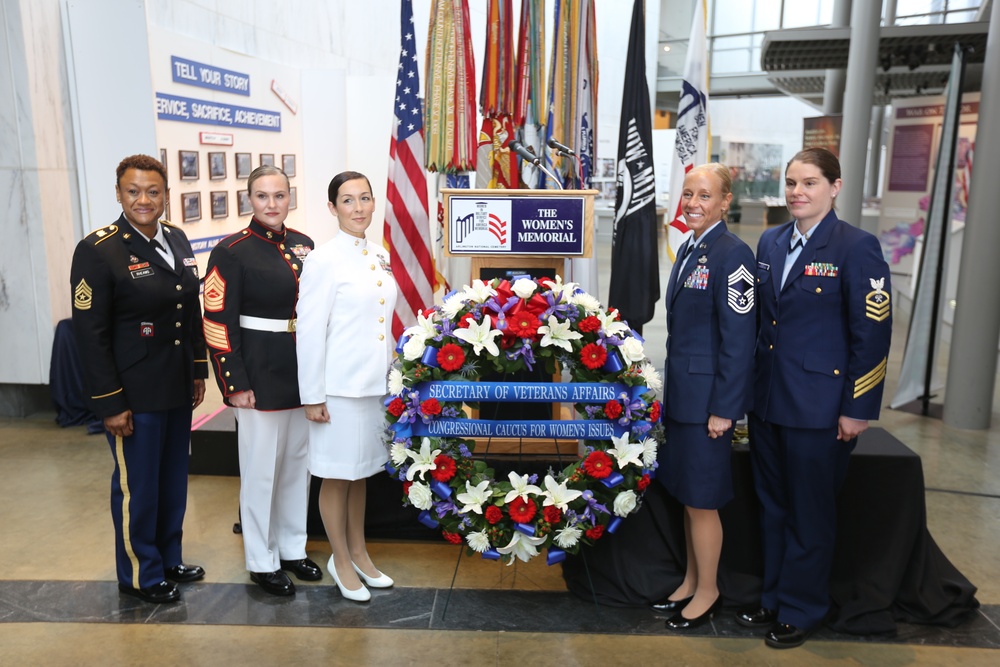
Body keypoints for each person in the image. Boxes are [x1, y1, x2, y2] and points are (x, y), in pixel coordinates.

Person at [741, 147, 892, 648]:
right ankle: (774, 597)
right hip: (768, 402)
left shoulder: (857, 247)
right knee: (773, 506)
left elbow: (872, 335)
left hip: (820, 407)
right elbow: (766, 322)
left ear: (835, 186)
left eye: (808, 183)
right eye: (790, 183)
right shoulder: (770, 241)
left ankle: (802, 609)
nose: (797, 193)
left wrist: (857, 407)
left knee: (809, 512)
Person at [70, 154, 208, 604]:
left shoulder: (178, 238)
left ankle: (169, 557)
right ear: (118, 193)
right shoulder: (99, 249)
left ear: (166, 194)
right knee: (139, 487)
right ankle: (140, 573)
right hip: (132, 393)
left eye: (153, 191)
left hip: (174, 385)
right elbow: (90, 336)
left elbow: (189, 312)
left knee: (172, 481)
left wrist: (197, 370)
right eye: (133, 191)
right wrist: (109, 403)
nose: (144, 200)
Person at [203, 165, 321, 596]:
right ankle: (261, 559)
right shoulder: (231, 250)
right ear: (249, 200)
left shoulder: (305, 245)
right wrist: (234, 382)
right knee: (260, 471)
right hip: (258, 374)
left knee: (296, 467)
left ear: (290, 197)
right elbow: (217, 321)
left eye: (279, 195)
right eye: (261, 196)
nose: (271, 204)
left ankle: (292, 548)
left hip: (299, 372)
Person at [654, 163, 757, 629]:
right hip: (684, 397)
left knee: (703, 500)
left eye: (704, 195)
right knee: (688, 495)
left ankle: (710, 590)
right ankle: (692, 581)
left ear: (725, 201)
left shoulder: (733, 255)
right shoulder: (692, 249)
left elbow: (739, 340)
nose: (693, 203)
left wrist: (725, 409)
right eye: (688, 194)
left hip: (708, 405)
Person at [296, 171, 396, 603]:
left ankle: (359, 553)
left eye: (365, 199)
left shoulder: (379, 254)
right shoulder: (323, 260)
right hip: (336, 390)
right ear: (332, 208)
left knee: (361, 477)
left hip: (373, 385)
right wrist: (312, 395)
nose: (358, 208)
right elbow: (309, 331)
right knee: (336, 477)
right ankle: (340, 559)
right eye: (348, 200)